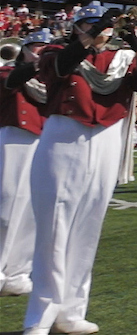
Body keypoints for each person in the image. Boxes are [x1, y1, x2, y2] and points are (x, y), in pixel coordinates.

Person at [24, 5, 137, 335]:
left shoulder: (124, 57)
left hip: (107, 138)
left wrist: (136, 44)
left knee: (88, 226)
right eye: (93, 24)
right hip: (64, 134)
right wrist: (91, 35)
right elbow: (60, 67)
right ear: (78, 26)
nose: (105, 30)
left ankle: (72, 310)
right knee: (54, 227)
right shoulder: (57, 50)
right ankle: (40, 316)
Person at [0, 29, 51, 297]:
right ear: (25, 49)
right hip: (15, 136)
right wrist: (33, 65)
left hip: (44, 140)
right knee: (6, 206)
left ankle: (17, 272)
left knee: (33, 212)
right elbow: (10, 83)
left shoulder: (51, 78)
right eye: (36, 46)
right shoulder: (11, 72)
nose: (41, 50)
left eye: (45, 46)